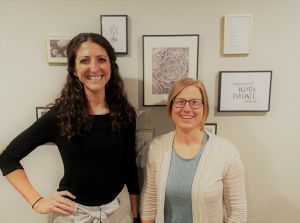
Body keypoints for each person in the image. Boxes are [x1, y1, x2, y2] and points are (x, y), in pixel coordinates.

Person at [0, 33, 140, 223]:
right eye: (84, 61)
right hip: (72, 215)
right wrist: (37, 202)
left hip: (117, 211)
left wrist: (135, 207)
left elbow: (128, 164)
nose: (94, 68)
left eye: (101, 59)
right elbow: (8, 158)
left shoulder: (125, 114)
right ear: (74, 69)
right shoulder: (59, 116)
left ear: (111, 66)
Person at [140, 78, 247, 223]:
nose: (187, 109)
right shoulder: (156, 147)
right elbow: (149, 200)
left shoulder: (226, 152)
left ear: (204, 108)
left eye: (195, 102)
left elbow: (237, 211)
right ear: (171, 107)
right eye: (180, 101)